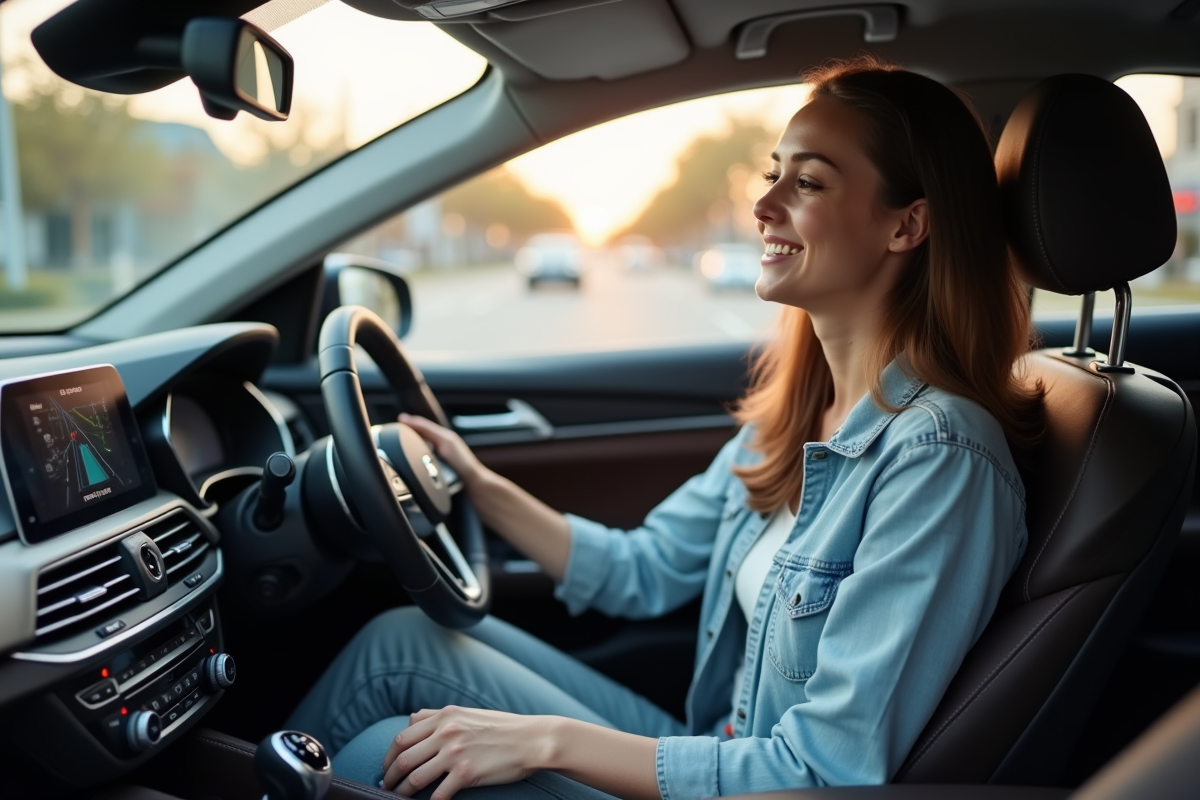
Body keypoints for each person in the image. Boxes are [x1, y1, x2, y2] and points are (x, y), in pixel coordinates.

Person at [287, 56, 1043, 800]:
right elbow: (641, 571)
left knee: (386, 751)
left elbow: (820, 772)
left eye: (807, 182)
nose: (765, 203)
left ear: (907, 225)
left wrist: (543, 743)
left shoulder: (940, 460)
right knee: (398, 644)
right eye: (772, 172)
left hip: (764, 785)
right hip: (714, 744)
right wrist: (479, 487)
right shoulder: (796, 417)